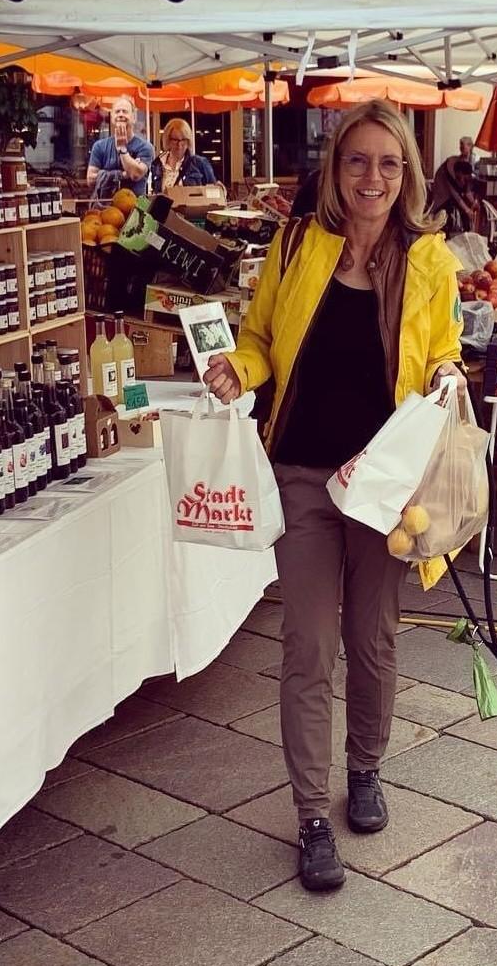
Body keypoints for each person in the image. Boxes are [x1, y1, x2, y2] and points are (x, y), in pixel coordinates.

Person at [201, 99, 465, 892]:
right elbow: (257, 342)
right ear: (334, 168)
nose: (371, 178)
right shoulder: (294, 244)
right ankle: (312, 814)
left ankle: (365, 769)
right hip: (303, 477)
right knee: (308, 650)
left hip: (384, 489)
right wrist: (237, 371)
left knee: (374, 641)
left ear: (406, 174)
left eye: (388, 163)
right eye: (357, 161)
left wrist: (450, 374)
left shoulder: (429, 262)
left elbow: (444, 352)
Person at [86, 96, 154, 198]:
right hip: (105, 209)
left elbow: (135, 174)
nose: (121, 114)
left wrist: (122, 149)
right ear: (112, 117)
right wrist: (121, 175)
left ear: (134, 118)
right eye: (117, 111)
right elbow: (90, 180)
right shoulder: (99, 146)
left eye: (125, 111)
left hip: (135, 209)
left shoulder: (145, 147)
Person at [151, 118, 218, 193]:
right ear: (168, 140)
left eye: (183, 140)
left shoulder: (199, 163)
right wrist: (139, 204)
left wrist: (221, 191)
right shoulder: (156, 164)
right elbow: (150, 194)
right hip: (164, 205)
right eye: (175, 140)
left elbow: (214, 193)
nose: (179, 145)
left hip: (194, 204)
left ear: (188, 141)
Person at [429, 159, 477, 235]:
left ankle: (467, 232)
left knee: (463, 211)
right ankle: (443, 235)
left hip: (451, 197)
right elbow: (456, 195)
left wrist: (474, 202)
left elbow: (467, 191)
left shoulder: (464, 173)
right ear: (459, 172)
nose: (463, 180)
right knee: (443, 215)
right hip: (442, 196)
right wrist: (467, 210)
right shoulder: (447, 173)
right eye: (463, 177)